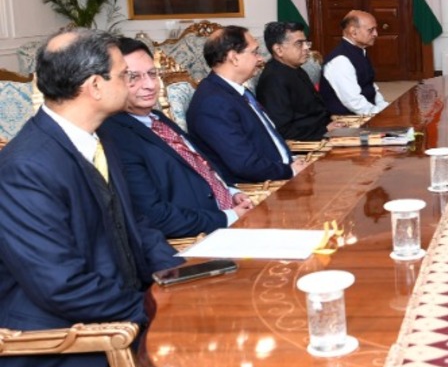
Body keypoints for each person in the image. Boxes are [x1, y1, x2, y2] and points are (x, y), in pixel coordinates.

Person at [0, 29, 182, 367]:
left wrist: (179, 278)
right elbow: (61, 286)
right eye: (125, 76)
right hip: (64, 344)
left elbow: (137, 227)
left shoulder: (100, 137)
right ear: (95, 86)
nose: (133, 83)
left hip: (123, 309)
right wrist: (155, 307)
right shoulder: (26, 166)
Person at [98, 37, 254, 238]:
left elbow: (201, 164)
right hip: (201, 237)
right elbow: (154, 216)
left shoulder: (157, 117)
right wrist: (228, 217)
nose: (150, 85)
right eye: (133, 77)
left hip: (231, 217)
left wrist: (231, 193)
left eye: (152, 74)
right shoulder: (114, 136)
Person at [187, 25, 308, 185]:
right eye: (254, 52)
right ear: (233, 57)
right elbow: (245, 165)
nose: (261, 59)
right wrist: (290, 170)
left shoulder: (236, 91)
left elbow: (264, 141)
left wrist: (293, 161)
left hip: (279, 172)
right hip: (260, 188)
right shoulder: (212, 103)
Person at [256, 21, 340, 140]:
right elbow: (282, 130)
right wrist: (325, 130)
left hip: (325, 131)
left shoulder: (295, 68)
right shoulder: (273, 80)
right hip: (308, 144)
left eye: (306, 42)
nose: (307, 48)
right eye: (299, 44)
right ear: (278, 50)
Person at [320, 10, 389, 115]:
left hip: (366, 114)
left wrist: (386, 108)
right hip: (347, 121)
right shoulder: (340, 61)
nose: (376, 34)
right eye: (371, 30)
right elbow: (354, 103)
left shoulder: (360, 52)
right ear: (353, 32)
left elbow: (371, 88)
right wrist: (382, 115)